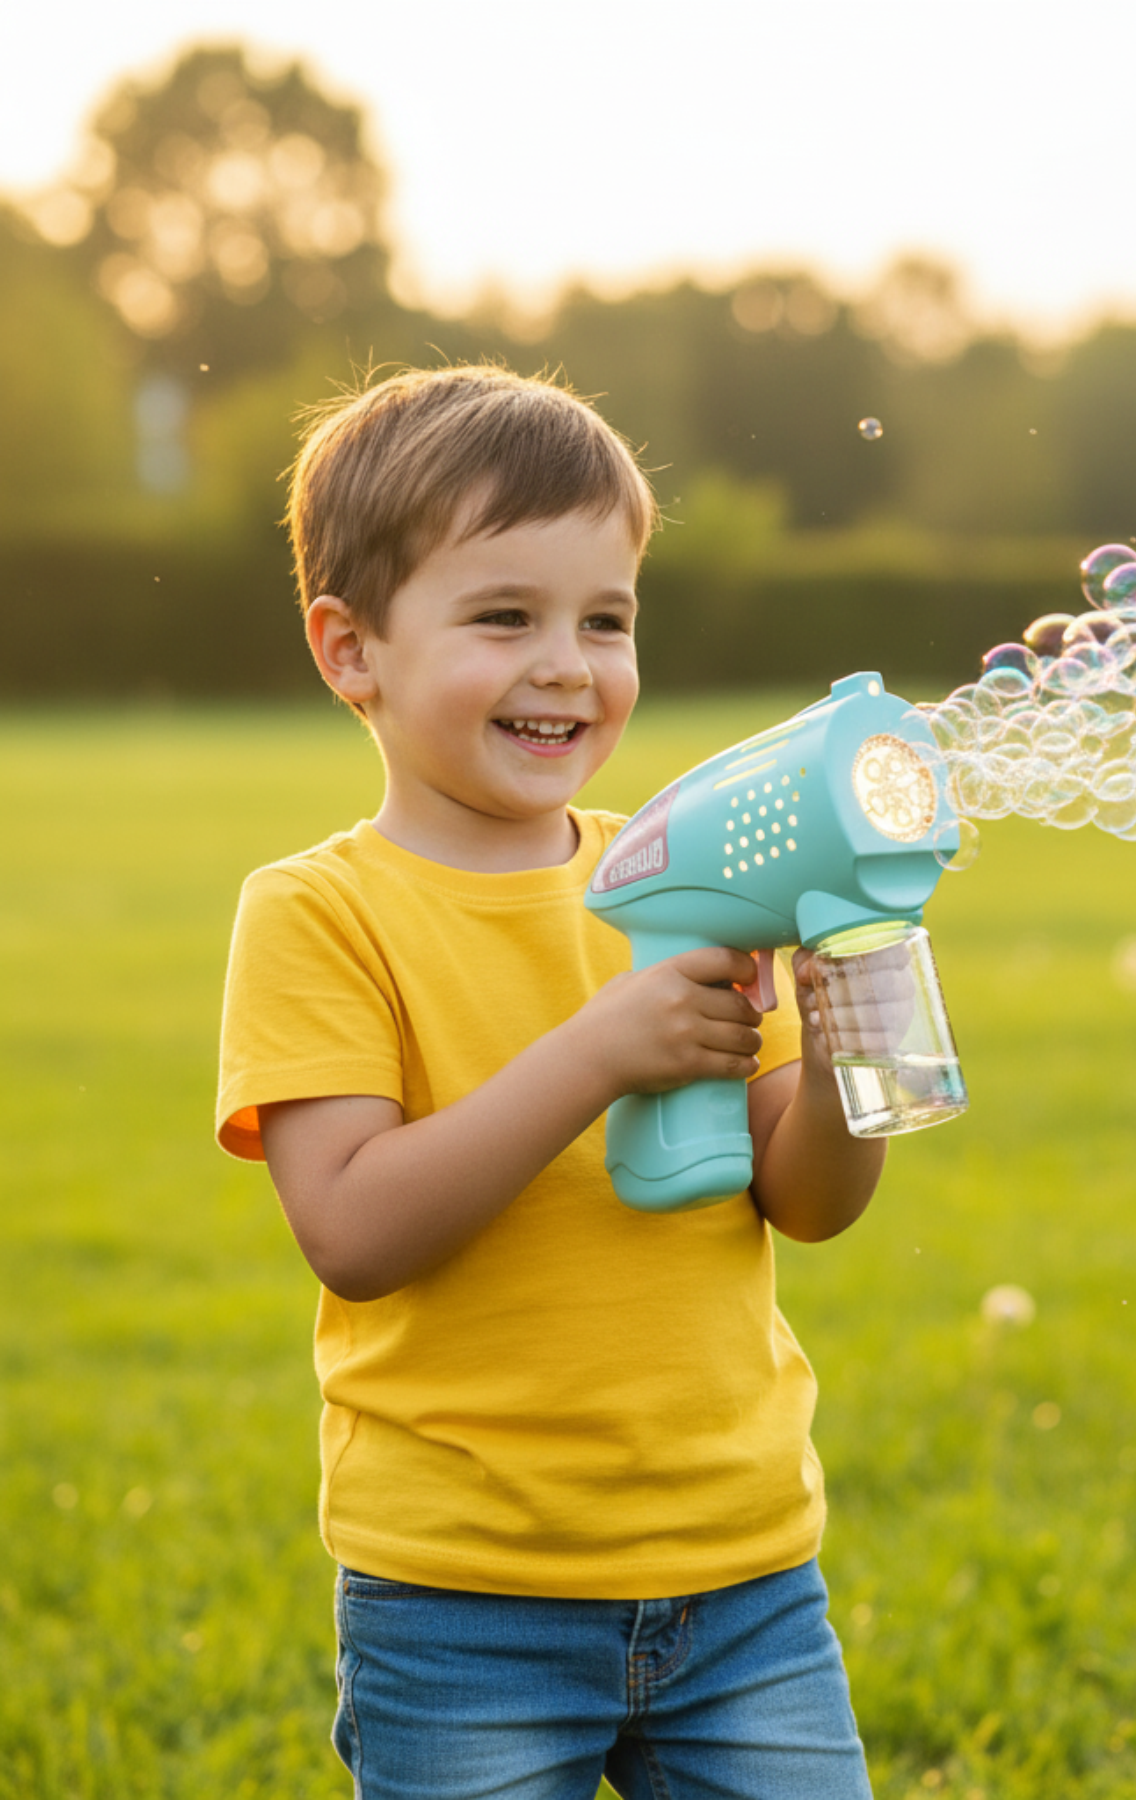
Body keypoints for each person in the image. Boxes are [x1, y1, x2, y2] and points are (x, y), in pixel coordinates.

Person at [216, 363, 884, 1800]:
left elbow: (809, 1200)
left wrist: (843, 1044)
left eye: (606, 619)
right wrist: (598, 1053)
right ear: (351, 650)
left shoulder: (685, 866)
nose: (569, 664)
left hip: (747, 1577)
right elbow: (354, 1228)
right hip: (464, 1601)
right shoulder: (320, 910)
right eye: (504, 616)